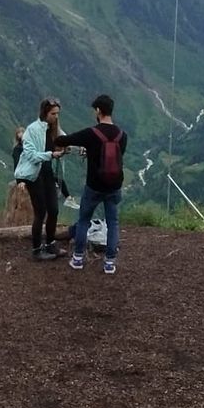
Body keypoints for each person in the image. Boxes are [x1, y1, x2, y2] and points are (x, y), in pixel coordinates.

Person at [58, 94, 128, 276]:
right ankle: (110, 263)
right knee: (112, 222)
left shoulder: (91, 134)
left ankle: (78, 258)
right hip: (114, 187)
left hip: (94, 186)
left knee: (83, 220)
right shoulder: (122, 135)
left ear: (98, 111)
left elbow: (65, 140)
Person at [14, 98, 65, 259]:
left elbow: (65, 140)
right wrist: (50, 155)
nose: (56, 117)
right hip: (34, 175)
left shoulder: (55, 129)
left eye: (57, 114)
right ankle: (37, 249)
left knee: (54, 210)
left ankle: (50, 244)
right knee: (40, 211)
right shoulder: (32, 129)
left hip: (48, 173)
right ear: (45, 113)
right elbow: (30, 155)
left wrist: (73, 147)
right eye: (53, 113)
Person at [2, 126, 33, 228]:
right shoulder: (18, 149)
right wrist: (20, 179)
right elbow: (17, 164)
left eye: (22, 132)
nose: (21, 134)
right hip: (23, 176)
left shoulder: (27, 147)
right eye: (19, 133)